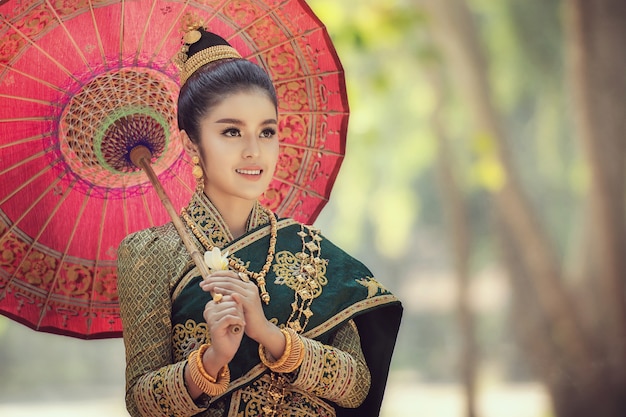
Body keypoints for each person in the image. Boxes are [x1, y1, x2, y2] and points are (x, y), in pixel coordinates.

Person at [117, 24, 402, 417]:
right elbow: (140, 401)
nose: (254, 151)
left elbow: (356, 387)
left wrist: (271, 336)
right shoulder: (149, 254)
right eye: (231, 132)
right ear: (191, 142)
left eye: (266, 132)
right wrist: (210, 361)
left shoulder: (307, 248)